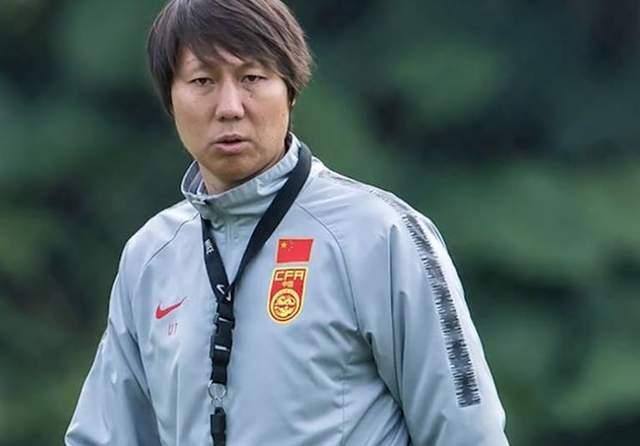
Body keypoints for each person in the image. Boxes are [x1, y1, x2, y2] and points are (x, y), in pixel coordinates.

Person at [65, 0, 509, 444]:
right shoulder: (149, 257)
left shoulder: (380, 234)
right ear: (170, 98)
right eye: (202, 81)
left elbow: (468, 430)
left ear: (290, 90)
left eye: (252, 78)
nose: (230, 107)